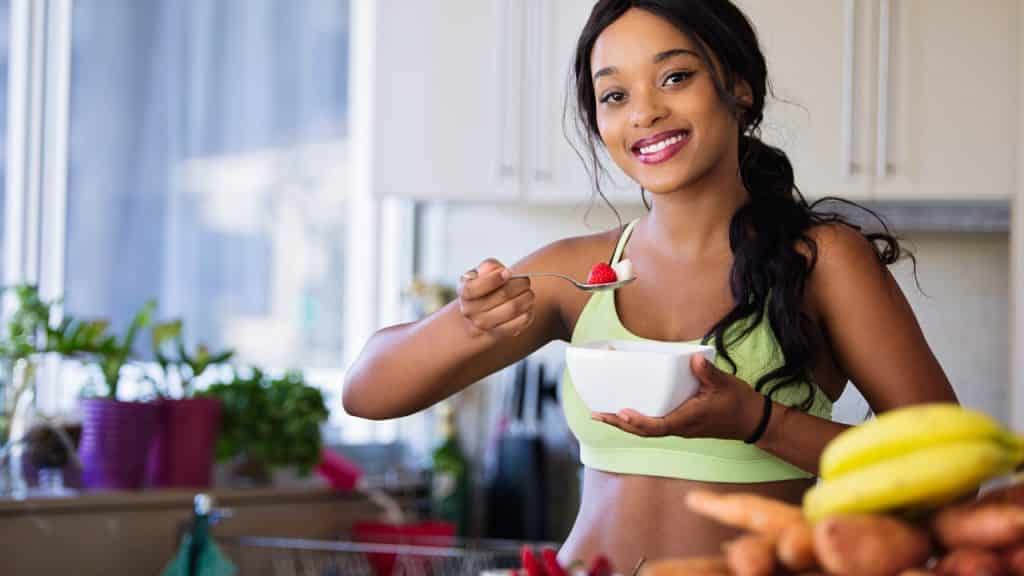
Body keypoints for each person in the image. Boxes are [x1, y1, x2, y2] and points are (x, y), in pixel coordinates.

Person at [344, 0, 957, 569]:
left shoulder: (822, 260)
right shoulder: (580, 273)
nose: (644, 112)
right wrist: (467, 322)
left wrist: (758, 420)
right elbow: (368, 393)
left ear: (738, 87)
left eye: (674, 77)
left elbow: (944, 474)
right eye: (614, 94)